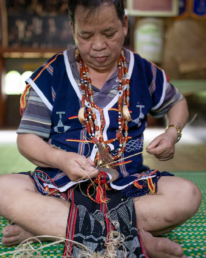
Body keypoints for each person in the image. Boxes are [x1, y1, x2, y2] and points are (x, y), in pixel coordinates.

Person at [0, 0, 202, 257]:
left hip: (127, 186)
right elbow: (27, 140)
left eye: (109, 33)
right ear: (73, 30)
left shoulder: (143, 71)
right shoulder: (52, 73)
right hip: (62, 187)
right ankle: (135, 239)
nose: (98, 45)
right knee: (3, 188)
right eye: (86, 35)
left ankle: (52, 227)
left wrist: (172, 133)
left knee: (187, 194)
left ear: (125, 25)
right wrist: (61, 159)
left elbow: (178, 103)